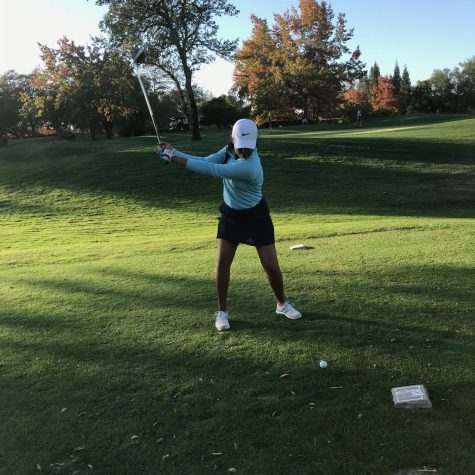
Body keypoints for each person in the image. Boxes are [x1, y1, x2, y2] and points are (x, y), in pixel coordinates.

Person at [159, 118, 302, 331]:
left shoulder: (250, 166)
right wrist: (173, 152)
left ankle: (281, 304)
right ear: (234, 140)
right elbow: (206, 160)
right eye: (241, 146)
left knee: (271, 266)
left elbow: (211, 170)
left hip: (256, 217)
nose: (244, 150)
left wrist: (172, 158)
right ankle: (222, 312)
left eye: (248, 147)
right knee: (223, 262)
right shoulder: (228, 151)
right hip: (231, 216)